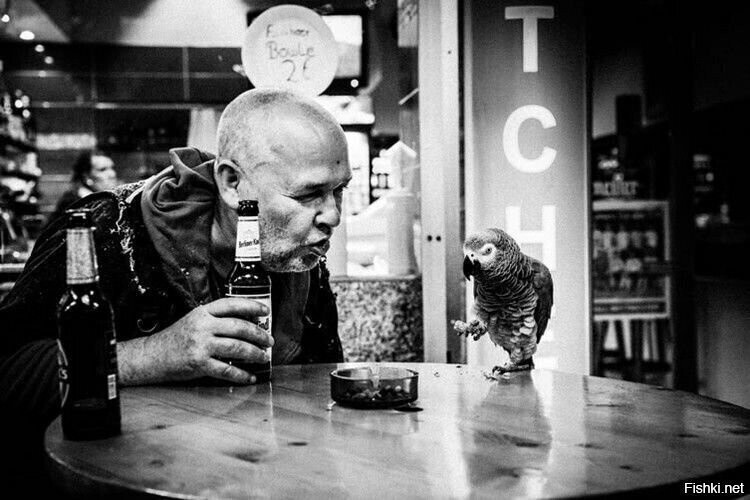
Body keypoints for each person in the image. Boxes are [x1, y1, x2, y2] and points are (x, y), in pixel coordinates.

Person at [0, 88, 351, 492]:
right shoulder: (102, 231)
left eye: (339, 190)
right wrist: (154, 354)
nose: (332, 216)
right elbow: (9, 371)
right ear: (233, 183)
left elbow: (323, 394)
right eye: (308, 194)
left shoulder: (297, 256)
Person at [46, 150, 119, 227]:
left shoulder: (110, 200)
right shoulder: (73, 202)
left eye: (112, 168)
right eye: (102, 170)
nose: (112, 174)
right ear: (87, 177)